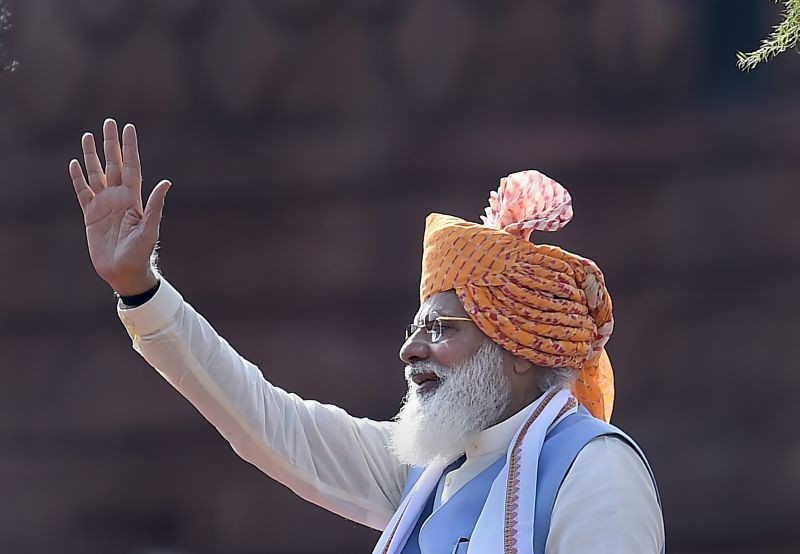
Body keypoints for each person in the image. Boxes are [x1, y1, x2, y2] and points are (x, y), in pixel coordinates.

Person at [69, 118, 665, 553]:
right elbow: (266, 420)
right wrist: (141, 290)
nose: (410, 350)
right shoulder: (427, 474)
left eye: (440, 329)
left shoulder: (594, 470)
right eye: (415, 328)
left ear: (518, 349)